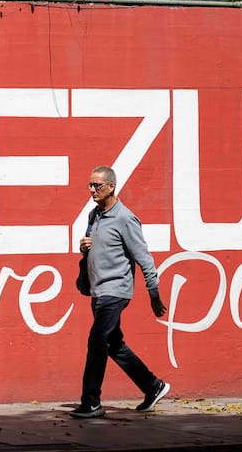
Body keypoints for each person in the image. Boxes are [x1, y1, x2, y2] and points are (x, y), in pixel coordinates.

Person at [70, 165, 170, 419]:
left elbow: (144, 258)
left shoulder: (125, 218)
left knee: (96, 342)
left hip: (116, 291)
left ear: (111, 186)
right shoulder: (94, 216)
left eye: (97, 185)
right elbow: (96, 249)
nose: (92, 190)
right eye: (90, 185)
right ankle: (153, 385)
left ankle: (91, 402)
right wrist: (84, 247)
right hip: (98, 290)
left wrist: (154, 294)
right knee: (113, 344)